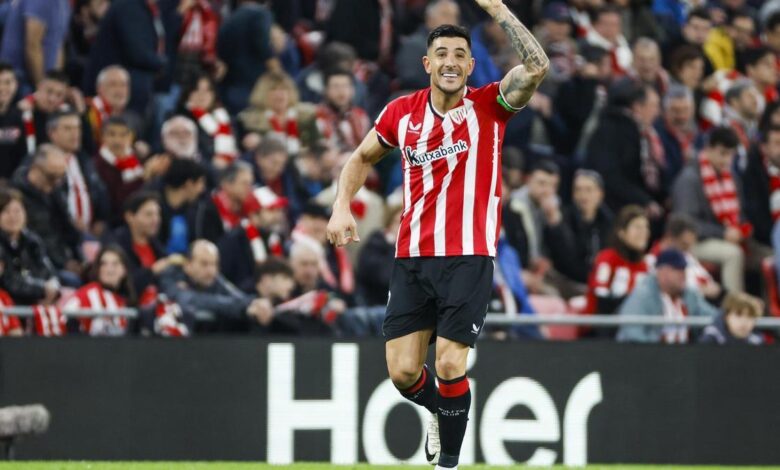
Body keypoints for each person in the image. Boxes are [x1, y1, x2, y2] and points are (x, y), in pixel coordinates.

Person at [325, 0, 550, 467]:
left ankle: (447, 462)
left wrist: (499, 10)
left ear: (470, 64)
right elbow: (361, 158)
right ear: (427, 63)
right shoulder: (401, 114)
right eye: (441, 53)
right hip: (412, 257)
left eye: (459, 55)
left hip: (469, 255)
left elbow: (537, 65)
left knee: (449, 364)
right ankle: (441, 411)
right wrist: (341, 207)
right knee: (404, 372)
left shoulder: (490, 106)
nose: (450, 62)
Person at [672, 126, 770, 293]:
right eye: (722, 153)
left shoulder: (732, 178)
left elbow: (741, 214)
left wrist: (744, 228)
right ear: (708, 148)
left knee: (770, 259)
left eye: (731, 154)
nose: (726, 160)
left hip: (728, 237)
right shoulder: (690, 179)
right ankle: (734, 308)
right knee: (733, 254)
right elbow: (685, 224)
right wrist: (722, 233)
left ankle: (770, 313)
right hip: (692, 242)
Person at [158, 239, 271, 331]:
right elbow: (191, 299)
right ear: (188, 265)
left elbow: (237, 296)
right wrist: (243, 308)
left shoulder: (214, 278)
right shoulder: (171, 275)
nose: (211, 270)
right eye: (204, 264)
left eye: (214, 264)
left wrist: (256, 303)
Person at [12, 144, 83, 281]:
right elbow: (36, 241)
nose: (57, 182)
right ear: (35, 169)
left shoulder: (55, 190)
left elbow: (67, 228)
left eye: (61, 176)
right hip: (39, 263)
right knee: (72, 280)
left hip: (62, 253)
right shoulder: (17, 197)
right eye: (52, 176)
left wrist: (80, 259)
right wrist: (64, 263)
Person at [616, 249, 719, 343]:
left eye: (684, 269)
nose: (683, 274)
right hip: (650, 357)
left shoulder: (689, 295)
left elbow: (714, 317)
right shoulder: (642, 295)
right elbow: (632, 333)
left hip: (685, 356)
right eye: (677, 269)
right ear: (662, 272)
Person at [83, 0, 168, 114]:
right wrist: (162, 63)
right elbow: (137, 52)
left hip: (132, 86)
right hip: (120, 86)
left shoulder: (142, 7)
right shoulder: (129, 7)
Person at [584, 205, 650, 320]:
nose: (643, 232)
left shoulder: (645, 265)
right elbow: (600, 298)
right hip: (601, 327)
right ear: (622, 233)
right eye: (637, 227)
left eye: (645, 227)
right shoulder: (607, 258)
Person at [218, 187, 288, 292]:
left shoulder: (276, 240)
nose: (278, 216)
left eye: (279, 210)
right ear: (253, 214)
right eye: (271, 210)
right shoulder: (234, 240)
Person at [0, 187, 59, 306]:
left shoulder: (32, 241)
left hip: (35, 299)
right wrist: (41, 289)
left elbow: (47, 271)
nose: (13, 217)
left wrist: (50, 289)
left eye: (17, 211)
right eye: (6, 211)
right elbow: (8, 281)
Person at [216, 0, 277, 115]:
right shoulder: (260, 13)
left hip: (231, 87)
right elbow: (262, 45)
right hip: (254, 85)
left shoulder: (229, 18)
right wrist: (278, 72)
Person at [239, 70, 319, 155]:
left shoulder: (306, 116)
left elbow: (317, 145)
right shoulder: (249, 121)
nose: (279, 94)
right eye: (273, 89)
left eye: (283, 89)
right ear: (262, 93)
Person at [63, 245, 136, 336]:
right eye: (104, 264)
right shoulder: (87, 294)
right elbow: (64, 320)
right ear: (98, 269)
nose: (109, 270)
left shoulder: (127, 300)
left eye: (115, 264)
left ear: (124, 269)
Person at [0, 0, 71, 91]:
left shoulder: (64, 4)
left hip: (43, 83)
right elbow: (32, 46)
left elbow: (58, 45)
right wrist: (41, 86)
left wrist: (55, 83)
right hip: (21, 80)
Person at [175, 73, 238, 168]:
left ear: (213, 94)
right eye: (197, 90)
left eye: (207, 90)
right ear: (188, 93)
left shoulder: (225, 118)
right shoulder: (181, 120)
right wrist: (211, 163)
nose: (202, 95)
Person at [93, 116, 145, 226]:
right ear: (102, 137)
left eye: (123, 135)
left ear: (131, 137)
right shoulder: (96, 165)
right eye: (112, 134)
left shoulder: (137, 162)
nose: (117, 140)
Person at [195, 160, 255, 243]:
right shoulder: (209, 208)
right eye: (244, 183)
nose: (249, 189)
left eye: (250, 184)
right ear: (227, 184)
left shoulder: (249, 210)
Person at [157, 158, 207, 254]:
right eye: (200, 182)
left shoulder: (195, 209)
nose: (202, 189)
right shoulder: (154, 206)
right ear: (188, 184)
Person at [315, 71, 372, 151]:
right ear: (326, 90)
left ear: (353, 90)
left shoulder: (361, 116)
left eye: (345, 86)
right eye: (335, 86)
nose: (341, 91)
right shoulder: (317, 116)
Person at [85, 65, 133, 146]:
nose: (119, 90)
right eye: (113, 84)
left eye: (123, 85)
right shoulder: (87, 109)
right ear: (99, 88)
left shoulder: (132, 117)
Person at [700, 292, 764, 345]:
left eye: (750, 316)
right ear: (726, 316)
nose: (744, 321)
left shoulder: (756, 342)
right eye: (738, 315)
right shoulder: (710, 339)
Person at [0, 63, 25, 179]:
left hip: (14, 186)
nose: (2, 88)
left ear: (16, 84)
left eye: (8, 82)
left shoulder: (22, 117)